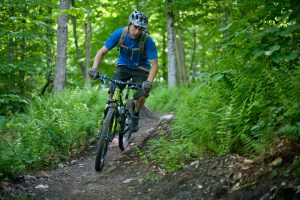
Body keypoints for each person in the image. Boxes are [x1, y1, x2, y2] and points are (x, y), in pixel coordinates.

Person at [89, 11, 159, 132]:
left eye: (140, 29)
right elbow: (101, 52)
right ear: (129, 24)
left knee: (142, 95)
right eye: (135, 27)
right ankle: (109, 113)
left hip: (141, 68)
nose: (137, 31)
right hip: (123, 66)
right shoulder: (119, 34)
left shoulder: (148, 41)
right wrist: (94, 68)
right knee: (112, 89)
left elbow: (155, 65)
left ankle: (136, 115)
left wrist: (149, 81)